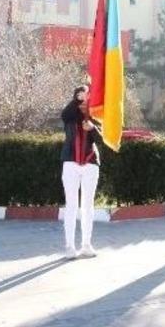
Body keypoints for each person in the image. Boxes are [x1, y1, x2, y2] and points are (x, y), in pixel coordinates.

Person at [60, 85, 102, 260]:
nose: (84, 97)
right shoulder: (70, 115)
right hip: (70, 162)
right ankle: (70, 246)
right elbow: (64, 114)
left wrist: (92, 128)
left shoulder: (96, 114)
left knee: (88, 205)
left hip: (90, 163)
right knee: (71, 205)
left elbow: (101, 140)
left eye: (87, 93)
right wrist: (78, 98)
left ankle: (86, 244)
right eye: (80, 94)